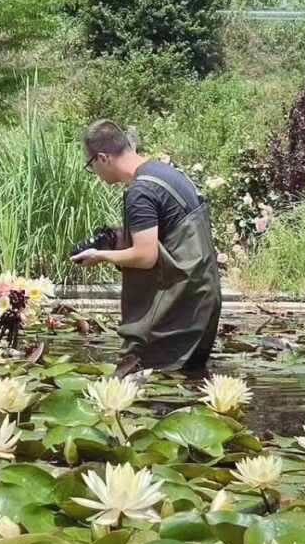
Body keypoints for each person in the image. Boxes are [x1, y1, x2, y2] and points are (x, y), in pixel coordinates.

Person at [72, 119, 221, 374]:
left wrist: (100, 256)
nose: (94, 172)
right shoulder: (165, 174)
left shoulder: (140, 191)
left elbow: (145, 256)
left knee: (131, 382)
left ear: (103, 158)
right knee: (185, 388)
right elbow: (169, 238)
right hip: (202, 300)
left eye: (90, 165)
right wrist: (120, 238)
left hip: (177, 308)